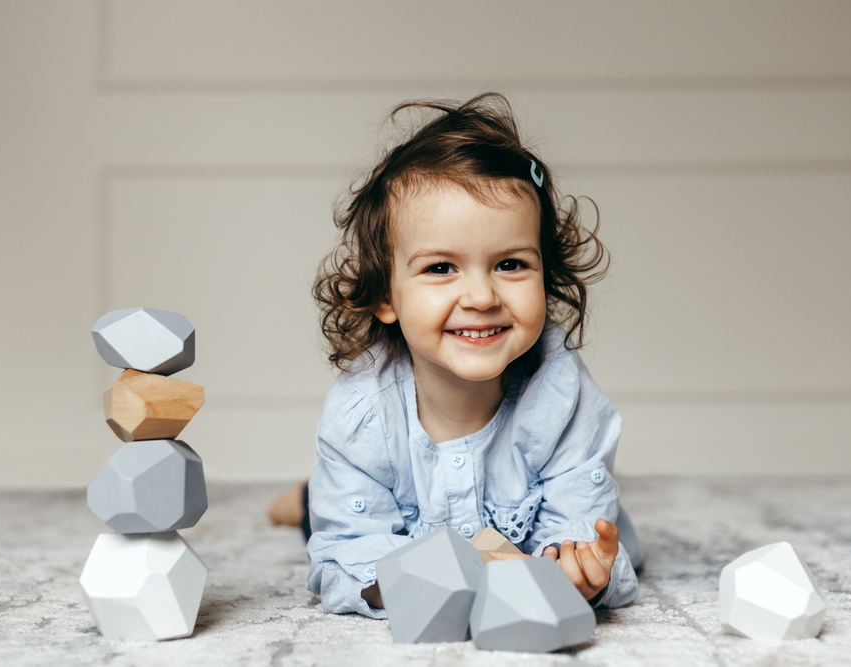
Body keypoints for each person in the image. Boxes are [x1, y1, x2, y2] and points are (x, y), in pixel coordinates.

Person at [272, 93, 640, 617]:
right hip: (386, 499)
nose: (483, 297)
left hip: (536, 528)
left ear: (547, 274)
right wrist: (413, 585)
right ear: (384, 295)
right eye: (441, 268)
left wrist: (578, 571)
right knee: (326, 514)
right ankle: (306, 498)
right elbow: (346, 554)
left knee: (615, 537)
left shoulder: (561, 394)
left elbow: (577, 523)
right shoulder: (361, 415)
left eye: (511, 264)